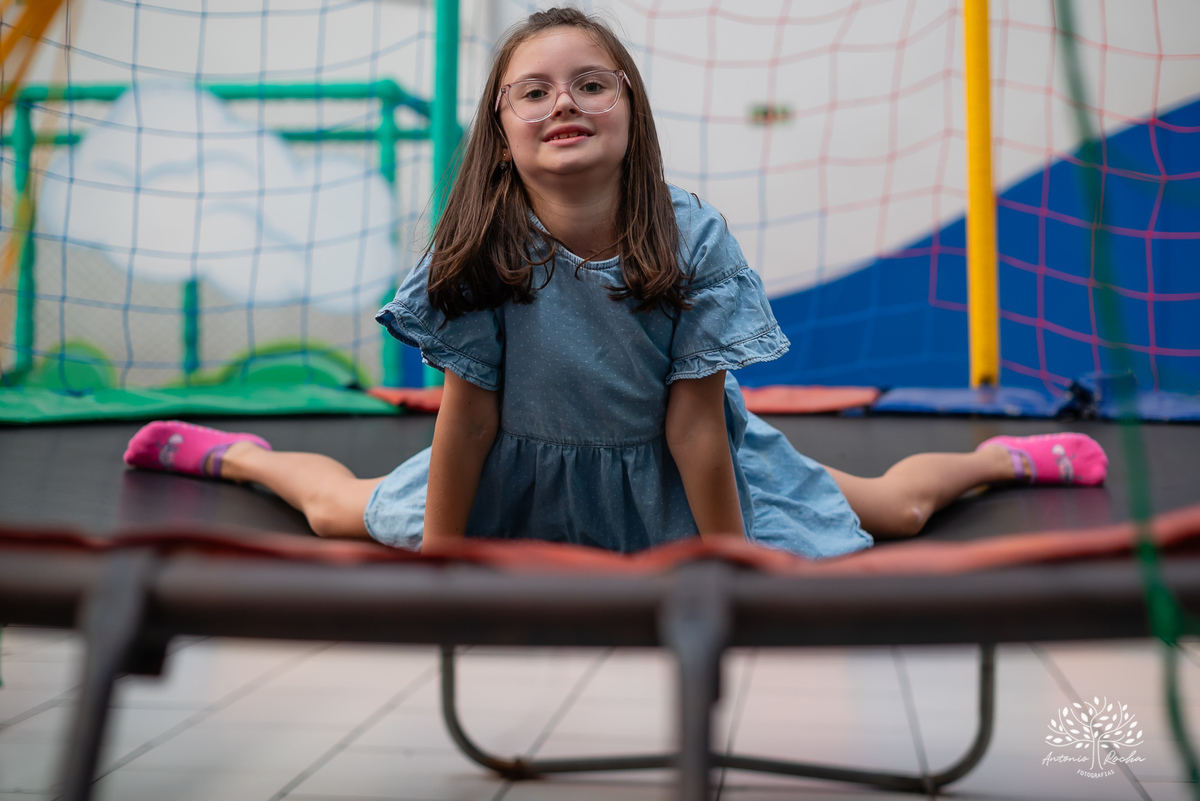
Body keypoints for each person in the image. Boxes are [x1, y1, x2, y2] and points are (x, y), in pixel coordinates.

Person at [123, 7, 1108, 557]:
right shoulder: (477, 241)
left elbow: (692, 425)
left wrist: (731, 565)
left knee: (891, 510)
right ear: (501, 132)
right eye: (535, 89)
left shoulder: (690, 235)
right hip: (518, 465)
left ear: (629, 109)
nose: (566, 101)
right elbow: (465, 421)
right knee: (340, 509)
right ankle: (241, 458)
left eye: (591, 83)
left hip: (676, 474)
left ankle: (999, 460)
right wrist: (443, 563)